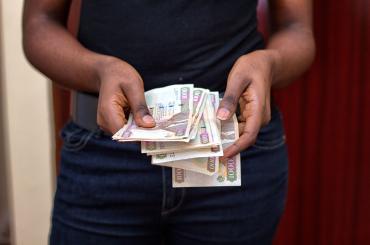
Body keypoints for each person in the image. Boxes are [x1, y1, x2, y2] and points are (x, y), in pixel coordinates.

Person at [22, 0, 315, 244]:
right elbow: (40, 24)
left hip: (231, 151)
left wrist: (270, 64)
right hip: (105, 154)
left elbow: (297, 28)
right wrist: (99, 70)